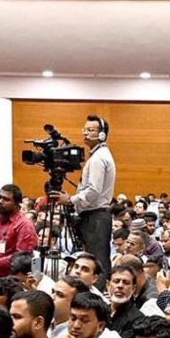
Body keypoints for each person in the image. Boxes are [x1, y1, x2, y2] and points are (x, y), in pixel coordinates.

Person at [64, 115, 117, 270]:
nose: (85, 133)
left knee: (97, 262)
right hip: (95, 215)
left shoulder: (98, 158)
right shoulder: (98, 155)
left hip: (96, 216)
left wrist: (70, 200)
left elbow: (94, 190)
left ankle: (99, 286)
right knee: (94, 260)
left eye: (91, 130)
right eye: (85, 129)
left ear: (102, 135)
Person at [0, 185, 40, 279]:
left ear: (16, 204)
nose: (0, 201)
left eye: (6, 199)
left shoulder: (24, 225)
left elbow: (20, 258)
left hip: (11, 280)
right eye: (0, 197)